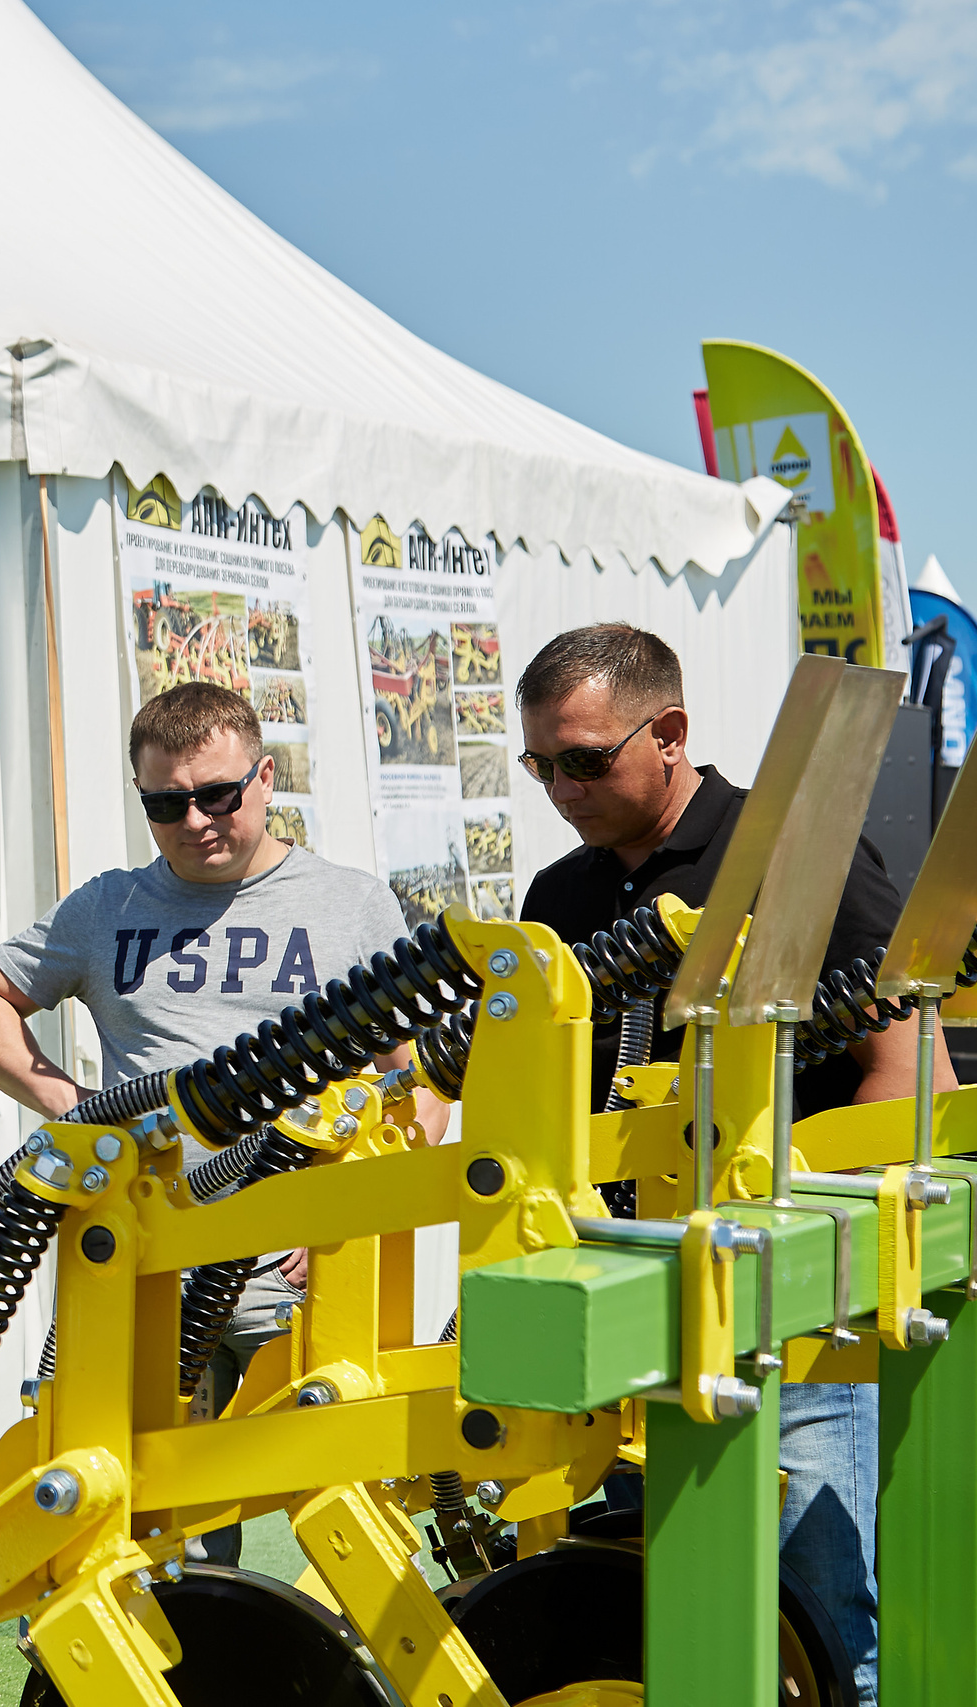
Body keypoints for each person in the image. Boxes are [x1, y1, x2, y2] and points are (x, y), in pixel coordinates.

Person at [515, 622, 952, 1706]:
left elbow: (909, 1070)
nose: (560, 788)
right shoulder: (558, 901)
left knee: (814, 1591)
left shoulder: (796, 853)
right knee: (611, 1582)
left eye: (584, 760)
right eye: (539, 765)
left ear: (667, 734)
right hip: (617, 1290)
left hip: (776, 1296)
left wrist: (786, 1236)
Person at [0, 680, 445, 1565]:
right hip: (136, 1258)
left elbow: (419, 1087)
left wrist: (343, 1208)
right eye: (167, 804)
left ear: (266, 777)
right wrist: (77, 1111)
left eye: (219, 794)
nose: (197, 820)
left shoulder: (349, 903)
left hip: (294, 1267)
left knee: (349, 1506)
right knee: (137, 1520)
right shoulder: (109, 907)